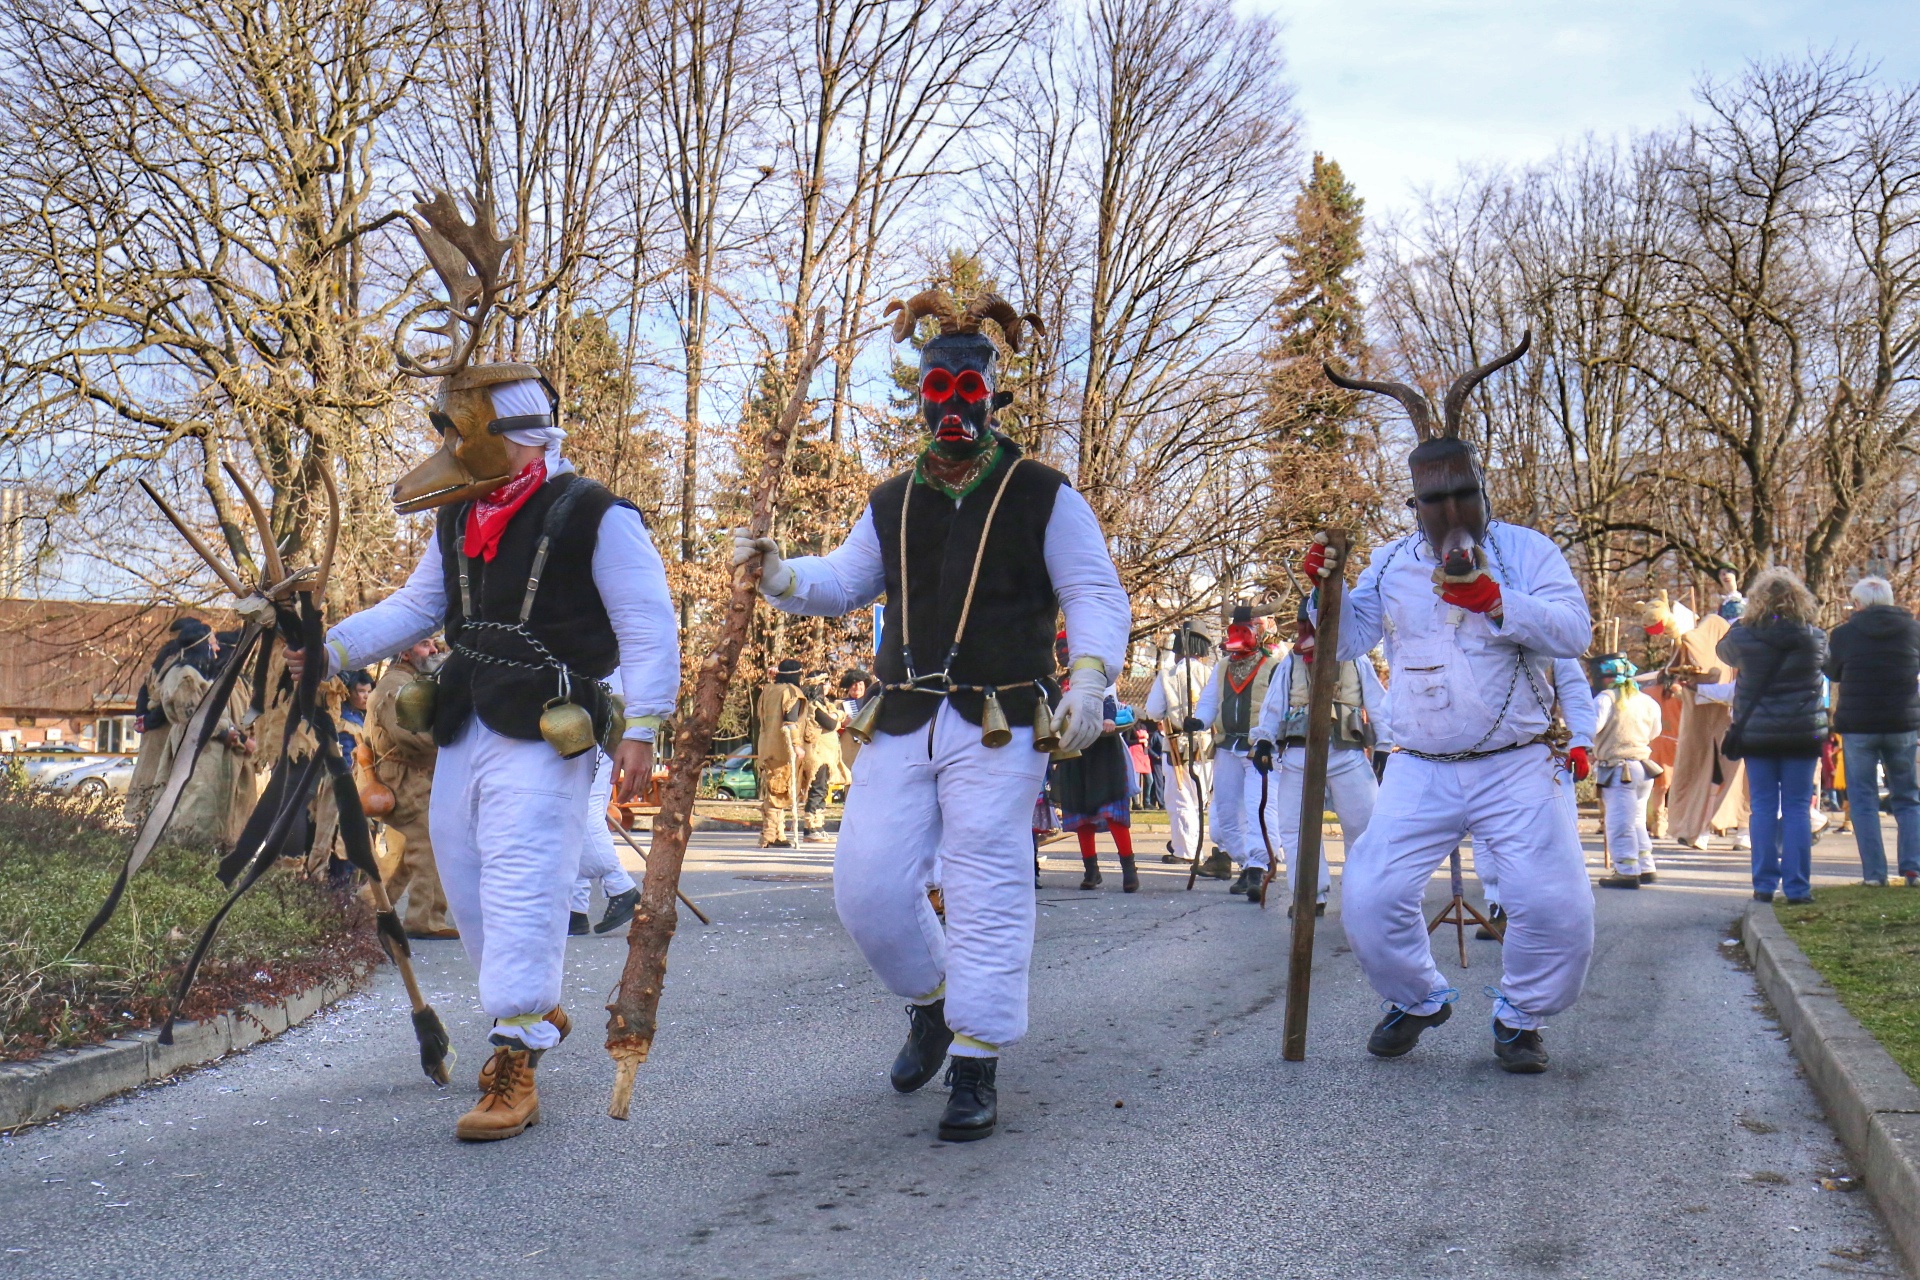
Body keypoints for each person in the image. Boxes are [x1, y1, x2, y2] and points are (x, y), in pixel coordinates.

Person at [289, 219, 679, 1141]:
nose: (446, 448)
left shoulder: (597, 517)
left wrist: (644, 728)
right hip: (465, 720)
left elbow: (648, 627)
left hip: (551, 728)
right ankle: (528, 1010)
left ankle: (514, 1057)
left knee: (519, 881)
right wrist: (330, 646)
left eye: (457, 429)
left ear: (510, 433)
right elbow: (414, 608)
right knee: (463, 887)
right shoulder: (458, 521)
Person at [732, 286, 1128, 1142]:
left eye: (968, 392)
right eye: (937, 393)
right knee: (866, 888)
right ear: (920, 399)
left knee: (986, 881)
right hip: (905, 715)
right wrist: (777, 574)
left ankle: (978, 1059)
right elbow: (842, 582)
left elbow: (1093, 591)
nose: (952, 408)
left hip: (1002, 720)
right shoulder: (891, 500)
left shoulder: (1044, 494)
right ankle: (933, 1002)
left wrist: (1090, 681)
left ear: (992, 396)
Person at [1321, 334, 1593, 1074]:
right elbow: (1344, 641)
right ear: (1413, 503)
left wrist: (1498, 601)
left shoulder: (1529, 551)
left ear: (1483, 489)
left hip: (1517, 766)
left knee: (1556, 908)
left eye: (1462, 493)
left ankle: (1521, 1017)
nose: (1450, 511)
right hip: (1420, 766)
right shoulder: (1391, 561)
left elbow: (1575, 631)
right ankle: (1416, 998)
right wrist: (1326, 589)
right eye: (1433, 499)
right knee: (1370, 898)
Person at [1248, 602, 1391, 912]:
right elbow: (1274, 706)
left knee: (1365, 826)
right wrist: (1264, 742)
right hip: (1299, 757)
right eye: (1301, 625)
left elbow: (1379, 704)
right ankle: (1309, 895)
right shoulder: (1290, 663)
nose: (1303, 632)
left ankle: (1361, 895)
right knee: (1294, 826)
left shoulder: (1356, 658)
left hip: (1347, 756)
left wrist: (1384, 745)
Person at [1711, 568, 1828, 905]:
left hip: (1758, 734)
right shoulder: (1814, 637)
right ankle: (1798, 888)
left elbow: (1723, 653)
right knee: (1796, 809)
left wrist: (1741, 621)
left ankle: (1764, 885)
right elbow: (1828, 664)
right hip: (1801, 734)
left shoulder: (1744, 636)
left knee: (1761, 807)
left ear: (1757, 602)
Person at [1477, 658, 1594, 932]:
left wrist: (1579, 741)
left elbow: (1575, 692)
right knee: (1488, 832)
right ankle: (1499, 907)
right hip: (1480, 754)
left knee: (1551, 835)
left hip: (1539, 751)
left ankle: (1556, 912)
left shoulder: (1550, 637)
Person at [1821, 576, 1920, 887]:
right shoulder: (1914, 630)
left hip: (1859, 725)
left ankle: (1874, 875)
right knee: (1907, 797)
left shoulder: (1844, 634)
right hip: (1902, 723)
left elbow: (1832, 672)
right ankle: (1913, 869)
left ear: (1859, 604)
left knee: (1862, 798)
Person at [1640, 591, 1749, 849]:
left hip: (1734, 722)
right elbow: (1688, 663)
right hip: (1715, 721)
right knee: (1712, 776)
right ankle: (1703, 830)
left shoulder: (1731, 639)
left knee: (1734, 778)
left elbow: (1729, 689)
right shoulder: (1715, 633)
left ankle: (1738, 830)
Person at [366, 640, 455, 938]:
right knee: (430, 843)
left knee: (406, 853)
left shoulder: (411, 682)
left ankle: (364, 911)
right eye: (424, 645)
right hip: (403, 778)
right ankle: (424, 920)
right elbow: (410, 737)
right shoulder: (395, 686)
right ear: (404, 652)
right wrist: (451, 740)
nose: (433, 651)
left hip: (416, 777)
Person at [1195, 610, 1282, 896]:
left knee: (1259, 808)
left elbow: (1280, 707)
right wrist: (1199, 720)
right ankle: (1247, 864)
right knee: (1226, 813)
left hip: (1259, 750)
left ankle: (1259, 866)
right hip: (1226, 746)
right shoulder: (1221, 667)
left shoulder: (1274, 666)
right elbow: (1210, 702)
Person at [1047, 634, 1138, 892]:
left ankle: (1129, 871)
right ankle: (1091, 871)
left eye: (1067, 647)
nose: (1063, 653)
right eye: (1060, 649)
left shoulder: (1100, 674)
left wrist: (1108, 716)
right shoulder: (1059, 683)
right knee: (1081, 813)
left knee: (1112, 812)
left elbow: (1109, 701)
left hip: (1103, 751)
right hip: (1075, 751)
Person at [154, 620, 255, 849]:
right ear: (201, 645)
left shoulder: (198, 675)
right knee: (194, 808)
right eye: (212, 643)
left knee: (212, 811)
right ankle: (187, 861)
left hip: (208, 753)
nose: (217, 649)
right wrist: (234, 736)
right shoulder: (185, 677)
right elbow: (195, 717)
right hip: (198, 753)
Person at [1146, 624, 1217, 874]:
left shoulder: (1168, 676)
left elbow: (1154, 710)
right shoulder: (1212, 673)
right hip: (1208, 746)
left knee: (1180, 800)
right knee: (1201, 800)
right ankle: (1190, 846)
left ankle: (1186, 851)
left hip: (1177, 747)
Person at [1591, 654, 1665, 889]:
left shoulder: (1605, 700)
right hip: (1643, 769)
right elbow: (1655, 731)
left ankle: (1626, 869)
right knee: (1636, 821)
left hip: (1619, 770)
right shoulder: (1647, 701)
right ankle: (1645, 865)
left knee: (1619, 822)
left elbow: (1590, 728)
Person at [571, 715, 642, 936]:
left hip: (589, 729)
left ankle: (620, 887)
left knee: (582, 814)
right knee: (570, 821)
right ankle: (573, 909)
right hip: (580, 728)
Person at [756, 659, 813, 848]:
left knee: (773, 789)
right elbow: (790, 721)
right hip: (783, 748)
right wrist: (797, 745)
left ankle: (778, 833)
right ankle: (770, 835)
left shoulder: (768, 690)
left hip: (766, 746)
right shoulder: (792, 693)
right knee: (778, 790)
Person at [799, 668, 848, 844]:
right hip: (817, 754)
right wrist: (839, 715)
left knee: (822, 789)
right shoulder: (813, 705)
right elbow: (831, 723)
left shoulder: (825, 704)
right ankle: (811, 828)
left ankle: (818, 826)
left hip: (827, 753)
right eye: (825, 683)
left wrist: (836, 713)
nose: (828, 686)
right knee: (817, 789)